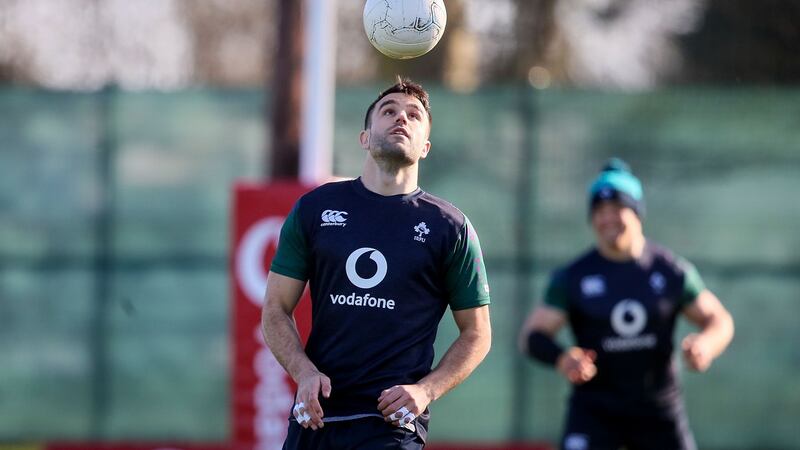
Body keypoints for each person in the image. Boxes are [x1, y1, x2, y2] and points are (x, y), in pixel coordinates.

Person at [262, 77, 492, 449]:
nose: (401, 118)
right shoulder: (315, 209)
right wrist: (303, 372)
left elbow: (478, 333)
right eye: (389, 111)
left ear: (425, 147)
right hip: (316, 417)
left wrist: (426, 391)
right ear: (365, 137)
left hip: (392, 425)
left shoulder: (450, 227)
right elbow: (275, 308)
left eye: (414, 115)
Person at [519, 158, 734, 450]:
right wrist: (563, 358)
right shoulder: (573, 277)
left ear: (637, 213)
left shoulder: (671, 270)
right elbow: (532, 336)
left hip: (658, 411)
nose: (608, 219)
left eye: (617, 209)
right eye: (600, 211)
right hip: (594, 411)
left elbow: (719, 320)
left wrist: (705, 346)